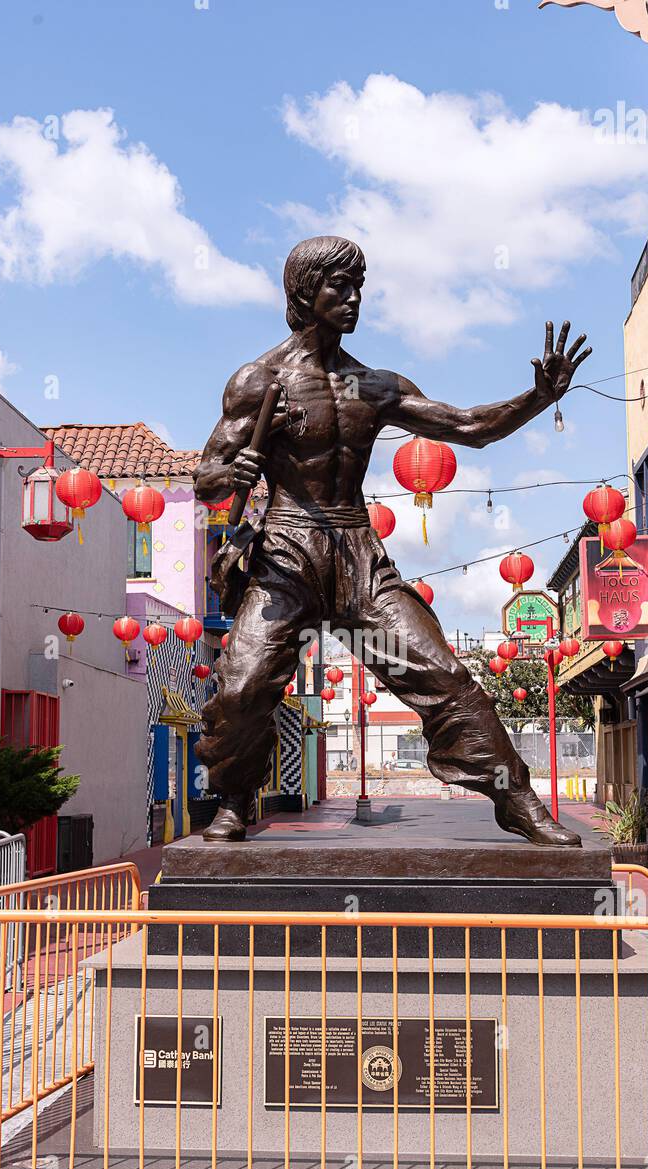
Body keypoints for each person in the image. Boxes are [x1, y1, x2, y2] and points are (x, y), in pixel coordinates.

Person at [194, 236, 591, 844]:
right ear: (304, 292)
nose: (353, 299)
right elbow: (208, 477)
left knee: (446, 676)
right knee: (243, 688)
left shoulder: (372, 386)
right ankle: (234, 799)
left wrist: (538, 396)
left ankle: (517, 801)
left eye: (359, 287)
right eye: (338, 286)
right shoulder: (259, 381)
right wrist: (231, 473)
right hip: (286, 553)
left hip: (357, 555)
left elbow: (468, 428)